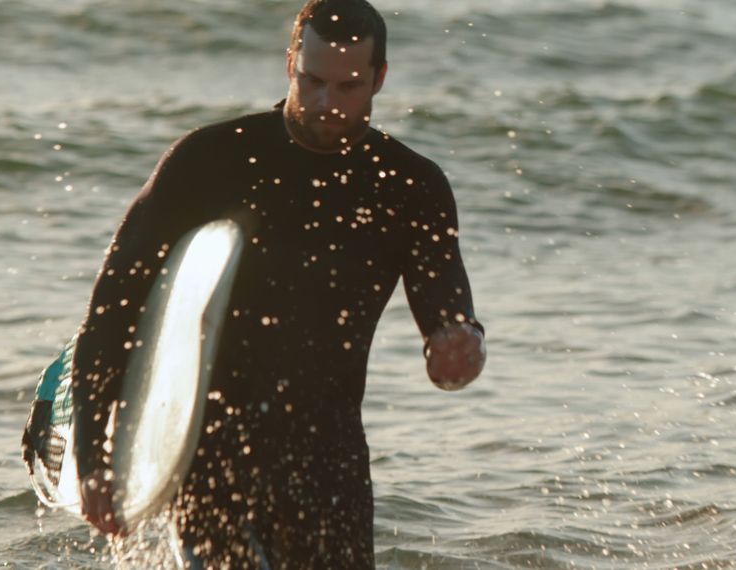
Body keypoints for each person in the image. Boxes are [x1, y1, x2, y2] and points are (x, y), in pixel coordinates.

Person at [69, 0, 485, 567]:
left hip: (329, 458)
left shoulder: (409, 186)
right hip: (211, 451)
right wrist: (93, 457)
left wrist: (459, 348)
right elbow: (116, 306)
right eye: (311, 80)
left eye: (347, 86)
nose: (325, 102)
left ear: (379, 79)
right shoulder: (213, 159)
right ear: (290, 61)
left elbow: (447, 311)